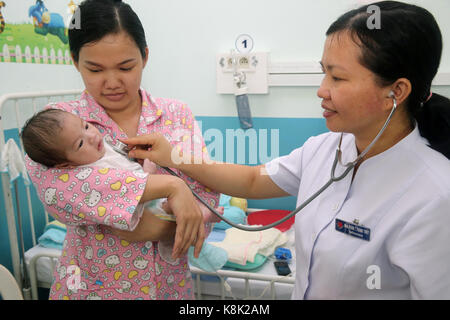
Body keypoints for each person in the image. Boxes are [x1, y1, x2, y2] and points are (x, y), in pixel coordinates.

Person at [120, 1, 450, 299]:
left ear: (396, 92)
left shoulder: (434, 197)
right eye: (324, 72)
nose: (322, 90)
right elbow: (252, 181)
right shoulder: (324, 149)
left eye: (337, 78)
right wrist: (171, 156)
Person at [24, 0, 220, 300]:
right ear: (75, 61)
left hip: (167, 287)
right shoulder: (60, 122)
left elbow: (207, 190)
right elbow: (58, 193)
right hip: (90, 288)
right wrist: (170, 187)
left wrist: (157, 229)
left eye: (126, 67)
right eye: (95, 69)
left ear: (144, 56)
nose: (112, 82)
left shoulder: (176, 115)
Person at [21, 108, 223, 262]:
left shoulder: (102, 147)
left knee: (174, 204)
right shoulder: (90, 172)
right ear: (66, 164)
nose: (91, 136)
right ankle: (204, 216)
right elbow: (125, 191)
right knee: (170, 208)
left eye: (85, 126)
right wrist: (151, 175)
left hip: (151, 193)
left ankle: (204, 214)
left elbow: (129, 170)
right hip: (139, 208)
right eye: (80, 144)